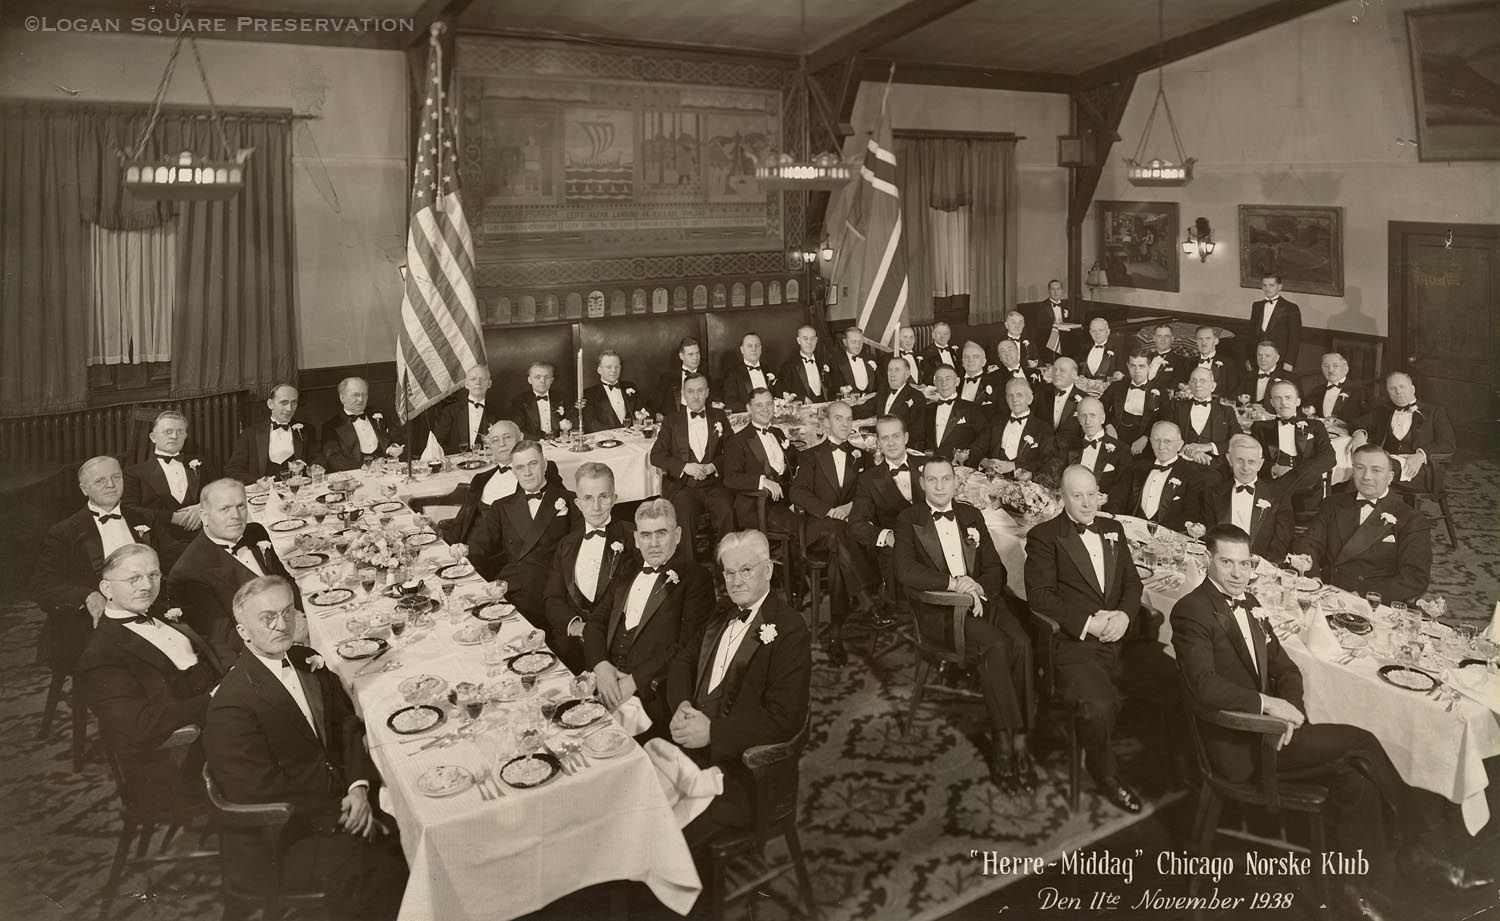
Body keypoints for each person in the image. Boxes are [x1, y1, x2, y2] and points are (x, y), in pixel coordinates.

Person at [1172, 524, 1485, 921]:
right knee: (1361, 742)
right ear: (1208, 559)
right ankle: (1418, 848)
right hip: (1240, 745)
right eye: (1226, 563)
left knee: (1359, 783)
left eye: (1244, 564)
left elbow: (1286, 669)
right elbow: (1203, 686)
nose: (1237, 573)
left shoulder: (1249, 601)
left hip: (1276, 731)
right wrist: (1268, 706)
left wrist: (1291, 710)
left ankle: (1359, 893)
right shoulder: (1192, 610)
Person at [204, 576, 407, 921]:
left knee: (411, 816)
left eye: (287, 612)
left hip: (340, 796)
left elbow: (345, 726)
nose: (281, 624)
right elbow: (258, 791)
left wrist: (358, 788)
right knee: (380, 869)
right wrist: (341, 815)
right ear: (243, 632)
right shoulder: (232, 706)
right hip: (287, 835)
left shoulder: (305, 659)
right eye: (267, 618)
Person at [1025, 465, 1175, 813]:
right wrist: (1089, 624)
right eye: (1077, 496)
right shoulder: (1044, 536)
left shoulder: (1112, 529)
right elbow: (1040, 597)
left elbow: (1132, 583)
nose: (1086, 503)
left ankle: (1177, 771)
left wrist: (1124, 615)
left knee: (1176, 683)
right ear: (1062, 497)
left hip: (1122, 637)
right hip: (1076, 643)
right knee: (1098, 706)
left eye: (1091, 494)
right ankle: (1104, 771)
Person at [664, 530, 811, 847]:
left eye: (746, 570)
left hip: (744, 772)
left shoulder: (790, 629)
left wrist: (713, 733)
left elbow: (785, 719)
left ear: (767, 570)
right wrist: (683, 704)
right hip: (692, 752)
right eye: (729, 573)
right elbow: (681, 662)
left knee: (661, 836)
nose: (736, 582)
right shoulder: (722, 612)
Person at [895, 457, 1034, 792]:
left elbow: (995, 567)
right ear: (922, 483)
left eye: (946, 479)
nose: (940, 486)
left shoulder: (971, 515)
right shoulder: (909, 519)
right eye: (932, 480)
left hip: (983, 600)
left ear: (956, 482)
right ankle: (1005, 742)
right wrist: (955, 583)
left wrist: (978, 587)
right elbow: (905, 571)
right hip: (943, 611)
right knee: (996, 645)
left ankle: (1021, 736)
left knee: (1022, 644)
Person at [75, 545, 221, 813]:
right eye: (134, 579)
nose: (147, 586)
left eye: (153, 575)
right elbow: (142, 727)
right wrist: (213, 700)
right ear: (106, 589)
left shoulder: (155, 611)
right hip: (186, 763)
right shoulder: (100, 656)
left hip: (219, 718)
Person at [33, 456, 165, 678]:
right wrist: (87, 596)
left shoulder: (143, 518)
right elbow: (41, 586)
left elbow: (167, 565)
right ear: (84, 489)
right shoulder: (65, 531)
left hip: (149, 614)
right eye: (100, 481)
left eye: (116, 477)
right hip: (94, 626)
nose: (111, 485)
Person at [586, 499, 713, 727]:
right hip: (604, 680)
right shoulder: (627, 568)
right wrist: (601, 666)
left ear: (677, 535)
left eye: (661, 533)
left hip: (649, 694)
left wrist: (634, 681)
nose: (653, 544)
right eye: (646, 535)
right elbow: (596, 621)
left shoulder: (697, 578)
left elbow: (686, 646)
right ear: (636, 539)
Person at [168, 478, 303, 665]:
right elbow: (224, 638)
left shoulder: (255, 532)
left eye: (241, 506)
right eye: (225, 509)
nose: (236, 516)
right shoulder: (188, 573)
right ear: (204, 516)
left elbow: (285, 580)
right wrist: (290, 632)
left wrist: (298, 616)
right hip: (265, 654)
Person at [1288, 445, 1431, 603]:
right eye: (1360, 468)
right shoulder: (1333, 504)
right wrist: (1313, 579)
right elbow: (1307, 543)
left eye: (1376, 470)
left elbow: (1414, 578)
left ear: (1390, 477)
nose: (1366, 477)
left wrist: (1362, 596)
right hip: (1325, 592)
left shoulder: (1411, 519)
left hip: (1370, 602)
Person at [467, 440, 580, 628]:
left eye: (532, 464)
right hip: (514, 591)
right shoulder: (502, 506)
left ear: (545, 464)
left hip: (556, 591)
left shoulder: (570, 500)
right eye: (520, 467)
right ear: (513, 471)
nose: (527, 473)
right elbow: (477, 548)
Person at [789, 401, 867, 666]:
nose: (845, 424)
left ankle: (836, 634)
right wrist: (829, 511)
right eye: (838, 418)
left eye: (849, 419)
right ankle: (867, 601)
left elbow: (867, 493)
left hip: (844, 536)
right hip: (817, 531)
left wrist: (850, 507)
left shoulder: (861, 456)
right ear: (826, 423)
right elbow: (796, 492)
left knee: (837, 555)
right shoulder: (810, 456)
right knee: (834, 533)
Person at [541, 463, 635, 671]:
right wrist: (575, 626)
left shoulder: (633, 537)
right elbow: (552, 598)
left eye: (603, 497)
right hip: (573, 642)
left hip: (616, 642)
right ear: (578, 503)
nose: (596, 507)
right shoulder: (567, 544)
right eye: (588, 498)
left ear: (614, 498)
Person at [845, 415, 925, 630]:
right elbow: (856, 524)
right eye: (885, 438)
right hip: (897, 547)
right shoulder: (868, 479)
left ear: (906, 438)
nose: (891, 443)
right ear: (878, 442)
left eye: (896, 436)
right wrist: (886, 536)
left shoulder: (926, 465)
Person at [649, 373, 736, 559]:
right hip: (685, 487)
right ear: (683, 395)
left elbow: (733, 450)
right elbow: (656, 456)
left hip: (714, 485)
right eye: (690, 391)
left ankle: (725, 564)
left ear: (707, 392)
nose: (696, 396)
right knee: (683, 516)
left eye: (700, 391)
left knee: (727, 512)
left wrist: (714, 466)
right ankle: (688, 568)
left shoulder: (719, 416)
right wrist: (684, 467)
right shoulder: (672, 420)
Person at [440, 419, 561, 545]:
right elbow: (461, 520)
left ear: (520, 438)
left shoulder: (541, 469)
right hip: (469, 547)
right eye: (495, 440)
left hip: (508, 550)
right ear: (490, 446)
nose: (502, 444)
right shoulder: (480, 479)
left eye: (507, 437)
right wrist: (450, 547)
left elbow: (560, 509)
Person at [122, 411, 214, 563]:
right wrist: (172, 517)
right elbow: (129, 510)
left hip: (204, 534)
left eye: (180, 432)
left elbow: (219, 492)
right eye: (168, 432)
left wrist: (202, 507)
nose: (174, 436)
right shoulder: (134, 473)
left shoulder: (201, 463)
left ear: (185, 436)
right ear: (153, 437)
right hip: (162, 542)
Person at [1349, 371, 1456, 493]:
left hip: (1418, 470)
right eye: (1392, 388)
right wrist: (1359, 434)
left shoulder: (1434, 412)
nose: (1398, 392)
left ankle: (1354, 502)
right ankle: (1353, 502)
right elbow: (1356, 423)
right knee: (1361, 466)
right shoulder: (1383, 410)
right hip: (1385, 462)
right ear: (1388, 392)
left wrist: (1421, 455)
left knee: (1365, 469)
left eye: (1402, 387)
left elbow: (1447, 444)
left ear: (1412, 389)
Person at [1195, 435, 1293, 561]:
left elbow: (1280, 544)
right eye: (1240, 460)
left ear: (1260, 464)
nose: (1245, 468)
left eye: (1251, 462)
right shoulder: (1213, 494)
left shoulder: (1278, 496)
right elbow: (1208, 537)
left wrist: (1258, 566)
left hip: (1259, 566)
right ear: (1229, 460)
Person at [722, 388, 799, 533]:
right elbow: (730, 478)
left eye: (769, 404)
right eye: (759, 405)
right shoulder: (737, 441)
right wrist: (762, 481)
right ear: (749, 408)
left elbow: (795, 460)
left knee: (817, 518)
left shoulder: (778, 433)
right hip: (758, 507)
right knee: (802, 528)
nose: (765, 409)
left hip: (785, 502)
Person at [1250, 380, 1335, 495]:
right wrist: (1274, 469)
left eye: (1288, 397)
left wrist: (1299, 474)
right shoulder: (1260, 427)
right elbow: (1252, 459)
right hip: (1273, 489)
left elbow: (1329, 457)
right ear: (1272, 402)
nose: (1283, 403)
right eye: (1278, 398)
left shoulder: (1315, 426)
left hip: (1307, 490)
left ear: (1298, 401)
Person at [225, 384, 323, 483]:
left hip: (298, 488)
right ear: (270, 404)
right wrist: (257, 481)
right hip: (265, 491)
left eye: (294, 402)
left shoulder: (307, 429)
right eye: (284, 402)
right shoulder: (250, 434)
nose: (289, 409)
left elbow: (317, 457)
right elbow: (233, 469)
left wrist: (315, 467)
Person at [1121, 422, 1204, 529]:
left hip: (1169, 535)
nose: (1161, 446)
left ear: (1179, 445)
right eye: (1156, 440)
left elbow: (1191, 514)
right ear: (1150, 442)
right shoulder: (1137, 467)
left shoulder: (1192, 474)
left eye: (1167, 441)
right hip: (1132, 531)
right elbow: (1118, 499)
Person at [976, 378, 1059, 482]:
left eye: (1019, 395)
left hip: (1022, 485)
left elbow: (1049, 462)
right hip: (992, 480)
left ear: (1030, 399)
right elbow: (977, 448)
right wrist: (984, 461)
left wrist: (1015, 466)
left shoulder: (1043, 428)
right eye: (1010, 395)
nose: (1014, 399)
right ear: (1006, 399)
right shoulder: (996, 421)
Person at [321, 377, 398, 472]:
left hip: (385, 472)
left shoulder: (378, 416)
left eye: (364, 395)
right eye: (355, 395)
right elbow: (334, 460)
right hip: (356, 475)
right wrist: (363, 466)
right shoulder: (331, 426)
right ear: (342, 398)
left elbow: (392, 441)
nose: (361, 399)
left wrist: (394, 448)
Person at [1169, 367, 1243, 464]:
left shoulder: (1227, 411)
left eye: (1202, 380)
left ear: (1213, 386)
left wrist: (1211, 446)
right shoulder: (1176, 407)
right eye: (1194, 380)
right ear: (1189, 385)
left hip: (1216, 465)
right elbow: (1166, 436)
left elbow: (1239, 439)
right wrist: (1189, 451)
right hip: (1182, 462)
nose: (1197, 385)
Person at [913, 366, 984, 460]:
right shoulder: (926, 410)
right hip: (930, 463)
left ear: (957, 381)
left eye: (948, 378)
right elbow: (918, 438)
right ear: (934, 383)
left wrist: (968, 456)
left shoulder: (973, 409)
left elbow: (983, 438)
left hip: (959, 465)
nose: (943, 383)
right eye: (939, 379)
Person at [1103, 353, 1166, 456]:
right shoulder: (1117, 386)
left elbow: (1164, 418)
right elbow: (1100, 408)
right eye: (1133, 366)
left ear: (1149, 367)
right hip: (1116, 431)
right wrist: (1108, 426)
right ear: (1128, 366)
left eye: (1141, 366)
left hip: (1143, 436)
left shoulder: (1160, 391)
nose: (1137, 371)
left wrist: (1146, 437)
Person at [430, 366, 503, 453]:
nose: (478, 382)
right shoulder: (450, 411)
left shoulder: (498, 412)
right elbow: (437, 444)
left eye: (483, 379)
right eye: (473, 379)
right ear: (466, 384)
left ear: (489, 384)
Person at [1066, 396, 1126, 502]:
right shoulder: (1069, 446)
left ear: (1102, 418)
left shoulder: (1122, 450)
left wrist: (1106, 500)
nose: (1087, 421)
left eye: (1092, 415)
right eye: (1083, 416)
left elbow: (1123, 488)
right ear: (1078, 419)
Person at [1247, 273, 1301, 371]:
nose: (1267, 289)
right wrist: (1249, 358)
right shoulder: (1257, 306)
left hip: (1280, 359)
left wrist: (1289, 362)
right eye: (1265, 285)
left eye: (1271, 285)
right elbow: (1251, 335)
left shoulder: (1291, 308)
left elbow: (1295, 338)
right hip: (1258, 358)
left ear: (1279, 287)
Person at [857, 354, 927, 428]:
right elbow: (863, 410)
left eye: (897, 370)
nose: (892, 374)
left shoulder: (917, 397)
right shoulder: (883, 393)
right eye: (890, 370)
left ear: (907, 374)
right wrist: (847, 411)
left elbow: (917, 430)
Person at [582, 350, 643, 432]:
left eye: (617, 367)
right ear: (599, 370)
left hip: (632, 437)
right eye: (609, 367)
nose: (614, 370)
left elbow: (642, 410)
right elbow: (592, 424)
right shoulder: (589, 394)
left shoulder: (630, 386)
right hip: (606, 438)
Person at [1304, 352, 1367, 425]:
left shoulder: (1360, 390)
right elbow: (1305, 413)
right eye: (1325, 366)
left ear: (1346, 369)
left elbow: (1366, 420)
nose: (1330, 370)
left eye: (1335, 366)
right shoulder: (1315, 391)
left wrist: (1350, 427)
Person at [509, 361, 568, 439]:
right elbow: (519, 430)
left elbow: (574, 422)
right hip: (534, 443)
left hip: (560, 442)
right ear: (530, 380)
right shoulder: (519, 401)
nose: (542, 381)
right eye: (537, 377)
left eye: (547, 377)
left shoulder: (562, 398)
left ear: (552, 380)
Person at [720, 333, 777, 413]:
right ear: (742, 349)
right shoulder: (732, 373)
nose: (754, 349)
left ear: (761, 348)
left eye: (757, 345)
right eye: (750, 346)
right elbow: (729, 401)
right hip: (748, 416)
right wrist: (748, 408)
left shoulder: (768, 368)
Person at [1037, 356, 1085, 451]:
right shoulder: (1041, 393)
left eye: (1062, 370)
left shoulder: (1084, 399)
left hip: (1069, 453)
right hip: (1041, 450)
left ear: (1074, 375)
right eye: (1054, 369)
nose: (1056, 373)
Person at [652, 336, 708, 415]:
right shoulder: (667, 378)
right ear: (681, 356)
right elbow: (653, 405)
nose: (695, 357)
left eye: (697, 353)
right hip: (674, 421)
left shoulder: (707, 378)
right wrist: (657, 415)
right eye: (691, 354)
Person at [1023, 279, 1075, 357]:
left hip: (1064, 341)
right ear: (1049, 291)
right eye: (1053, 289)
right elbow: (1039, 327)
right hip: (1048, 341)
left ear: (1062, 290)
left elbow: (1070, 323)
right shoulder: (1041, 306)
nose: (1056, 292)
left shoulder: (1066, 306)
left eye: (1058, 289)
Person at [778, 325, 830, 401]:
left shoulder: (823, 362)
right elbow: (781, 392)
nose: (809, 342)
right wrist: (801, 398)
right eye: (805, 338)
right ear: (799, 340)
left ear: (816, 340)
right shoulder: (788, 366)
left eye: (812, 338)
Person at [1191, 326, 1240, 398]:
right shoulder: (1187, 363)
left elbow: (1233, 392)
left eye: (1208, 338)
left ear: (1216, 341)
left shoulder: (1229, 364)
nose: (1204, 343)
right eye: (1200, 339)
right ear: (1196, 341)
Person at [832, 326, 880, 398]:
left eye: (860, 342)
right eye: (853, 342)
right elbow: (835, 390)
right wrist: (863, 396)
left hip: (872, 402)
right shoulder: (836, 362)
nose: (857, 346)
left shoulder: (870, 358)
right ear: (845, 342)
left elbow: (880, 383)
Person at [1242, 340, 1291, 410]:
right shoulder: (1247, 376)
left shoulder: (1290, 378)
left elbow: (1294, 406)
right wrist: (1249, 406)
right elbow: (1235, 399)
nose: (1262, 359)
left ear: (1277, 358)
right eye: (1259, 355)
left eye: (1267, 356)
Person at [956, 341, 1003, 410]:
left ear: (984, 361)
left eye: (975, 356)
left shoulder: (996, 384)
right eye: (966, 357)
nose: (970, 360)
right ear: (962, 362)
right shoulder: (955, 385)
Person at [1075, 317, 1122, 384]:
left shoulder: (1117, 350)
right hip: (1084, 388)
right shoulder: (1083, 349)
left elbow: (1121, 376)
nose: (1097, 333)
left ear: (1108, 331)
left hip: (1108, 389)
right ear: (1090, 333)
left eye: (1101, 330)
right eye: (1094, 331)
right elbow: (1077, 370)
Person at [1144, 324, 1184, 391]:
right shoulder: (1145, 357)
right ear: (1154, 338)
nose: (1163, 340)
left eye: (1167, 336)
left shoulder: (1181, 361)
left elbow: (1176, 386)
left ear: (1172, 339)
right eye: (1159, 336)